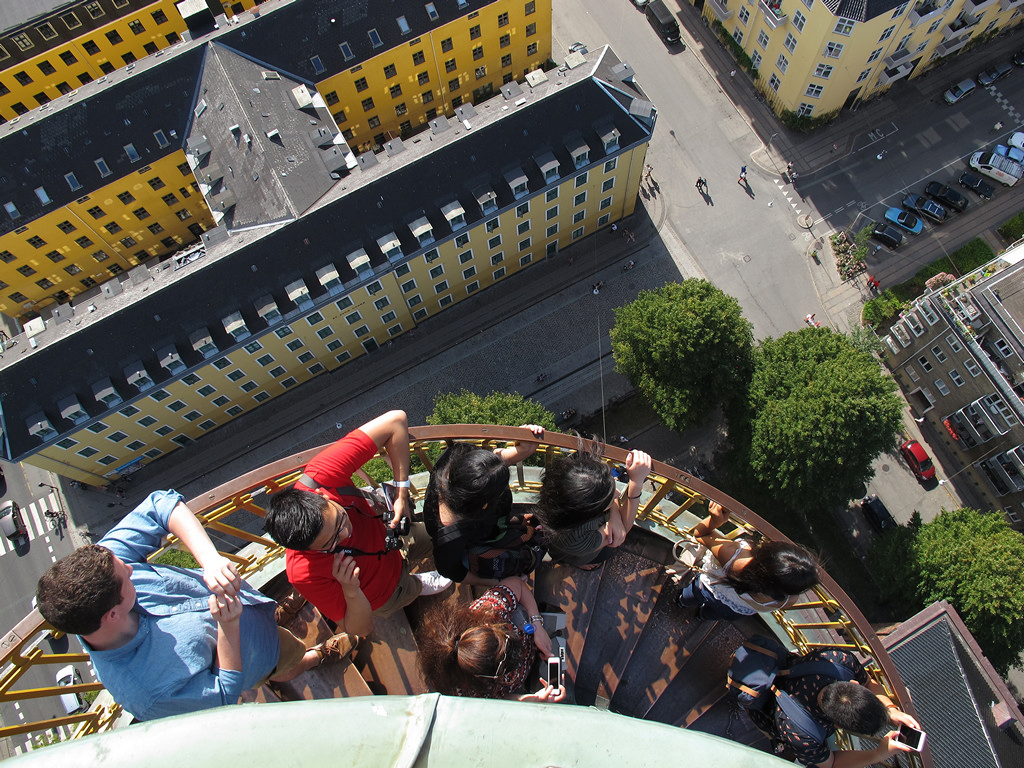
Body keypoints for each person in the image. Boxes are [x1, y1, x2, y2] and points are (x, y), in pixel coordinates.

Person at [35, 490, 354, 722]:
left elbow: (161, 503)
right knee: (288, 662)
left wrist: (211, 560)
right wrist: (228, 628)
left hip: (252, 609)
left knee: (271, 617)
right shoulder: (147, 694)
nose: (132, 568)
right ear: (113, 614)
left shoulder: (102, 571)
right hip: (260, 654)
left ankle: (278, 612)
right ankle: (313, 658)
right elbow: (224, 697)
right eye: (126, 578)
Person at [263, 410, 451, 637]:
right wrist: (351, 590)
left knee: (438, 535)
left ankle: (420, 578)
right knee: (407, 591)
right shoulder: (303, 573)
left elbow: (396, 420)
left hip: (392, 534)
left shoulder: (322, 476)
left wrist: (401, 493)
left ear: (322, 496)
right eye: (331, 543)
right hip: (382, 592)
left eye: (340, 520)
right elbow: (359, 629)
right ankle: (417, 586)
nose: (345, 533)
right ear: (305, 550)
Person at [746, 645, 921, 766]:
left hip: (780, 669)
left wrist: (890, 709)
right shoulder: (800, 734)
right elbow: (830, 764)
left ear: (854, 684)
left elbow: (867, 683)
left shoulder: (838, 660)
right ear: (836, 725)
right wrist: (877, 755)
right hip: (765, 710)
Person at [423, 426, 546, 585]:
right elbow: (451, 570)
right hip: (480, 541)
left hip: (488, 529)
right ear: (485, 505)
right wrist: (497, 582)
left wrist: (520, 449)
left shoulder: (455, 459)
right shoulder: (449, 538)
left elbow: (483, 470)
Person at [416, 576, 565, 702]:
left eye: (506, 637)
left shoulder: (490, 610)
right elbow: (498, 701)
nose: (516, 655)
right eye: (504, 666)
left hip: (536, 641)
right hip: (528, 678)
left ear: (489, 626)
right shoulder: (466, 692)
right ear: (479, 676)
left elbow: (517, 584)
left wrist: (537, 625)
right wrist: (529, 699)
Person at [671, 501, 820, 620]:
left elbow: (700, 535)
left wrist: (715, 520)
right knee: (715, 614)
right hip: (735, 611)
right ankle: (702, 616)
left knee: (692, 594)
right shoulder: (788, 599)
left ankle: (683, 602)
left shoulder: (735, 558)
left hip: (708, 590)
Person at [535, 439, 652, 567]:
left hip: (565, 546)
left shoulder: (561, 493)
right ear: (590, 511)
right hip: (580, 553)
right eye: (608, 499)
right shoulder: (576, 540)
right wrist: (636, 483)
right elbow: (619, 534)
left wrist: (613, 515)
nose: (618, 494)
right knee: (602, 554)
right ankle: (578, 564)